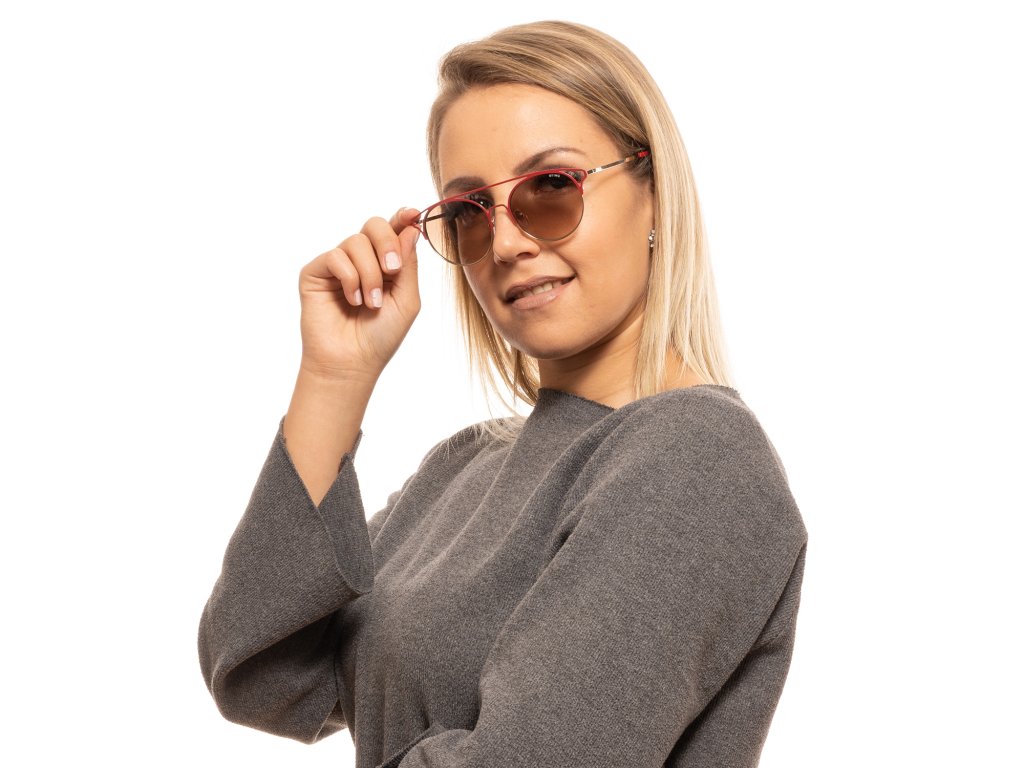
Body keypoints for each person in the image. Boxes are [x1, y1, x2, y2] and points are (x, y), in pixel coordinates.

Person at [198, 19, 807, 768]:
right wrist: (335, 377)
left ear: (653, 193)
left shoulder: (697, 458)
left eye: (551, 188)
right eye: (470, 213)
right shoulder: (464, 469)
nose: (510, 243)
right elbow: (260, 673)